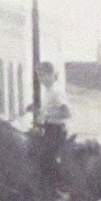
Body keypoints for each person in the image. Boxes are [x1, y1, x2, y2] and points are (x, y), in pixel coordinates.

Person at [25, 62, 72, 192]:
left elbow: (67, 113)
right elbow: (47, 112)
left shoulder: (56, 91)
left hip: (57, 131)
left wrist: (46, 115)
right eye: (39, 76)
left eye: (43, 75)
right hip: (50, 129)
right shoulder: (48, 91)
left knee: (46, 158)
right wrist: (37, 111)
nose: (40, 79)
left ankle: (57, 189)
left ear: (51, 75)